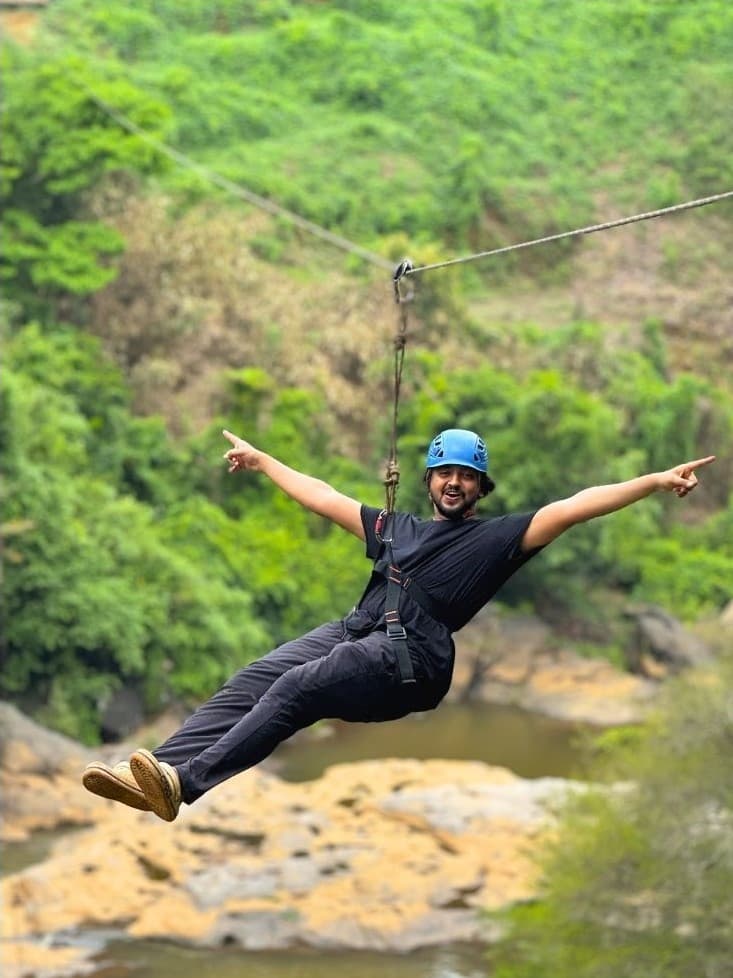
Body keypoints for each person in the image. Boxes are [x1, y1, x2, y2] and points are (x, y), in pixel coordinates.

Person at [82, 428, 715, 821]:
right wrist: (264, 460)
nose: (454, 483)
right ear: (430, 478)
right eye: (446, 473)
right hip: (357, 631)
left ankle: (186, 785)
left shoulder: (498, 540)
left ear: (479, 488)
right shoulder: (395, 529)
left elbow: (573, 507)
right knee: (260, 676)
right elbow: (324, 495)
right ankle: (156, 773)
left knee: (299, 687)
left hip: (410, 658)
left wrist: (654, 481)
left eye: (467, 477)